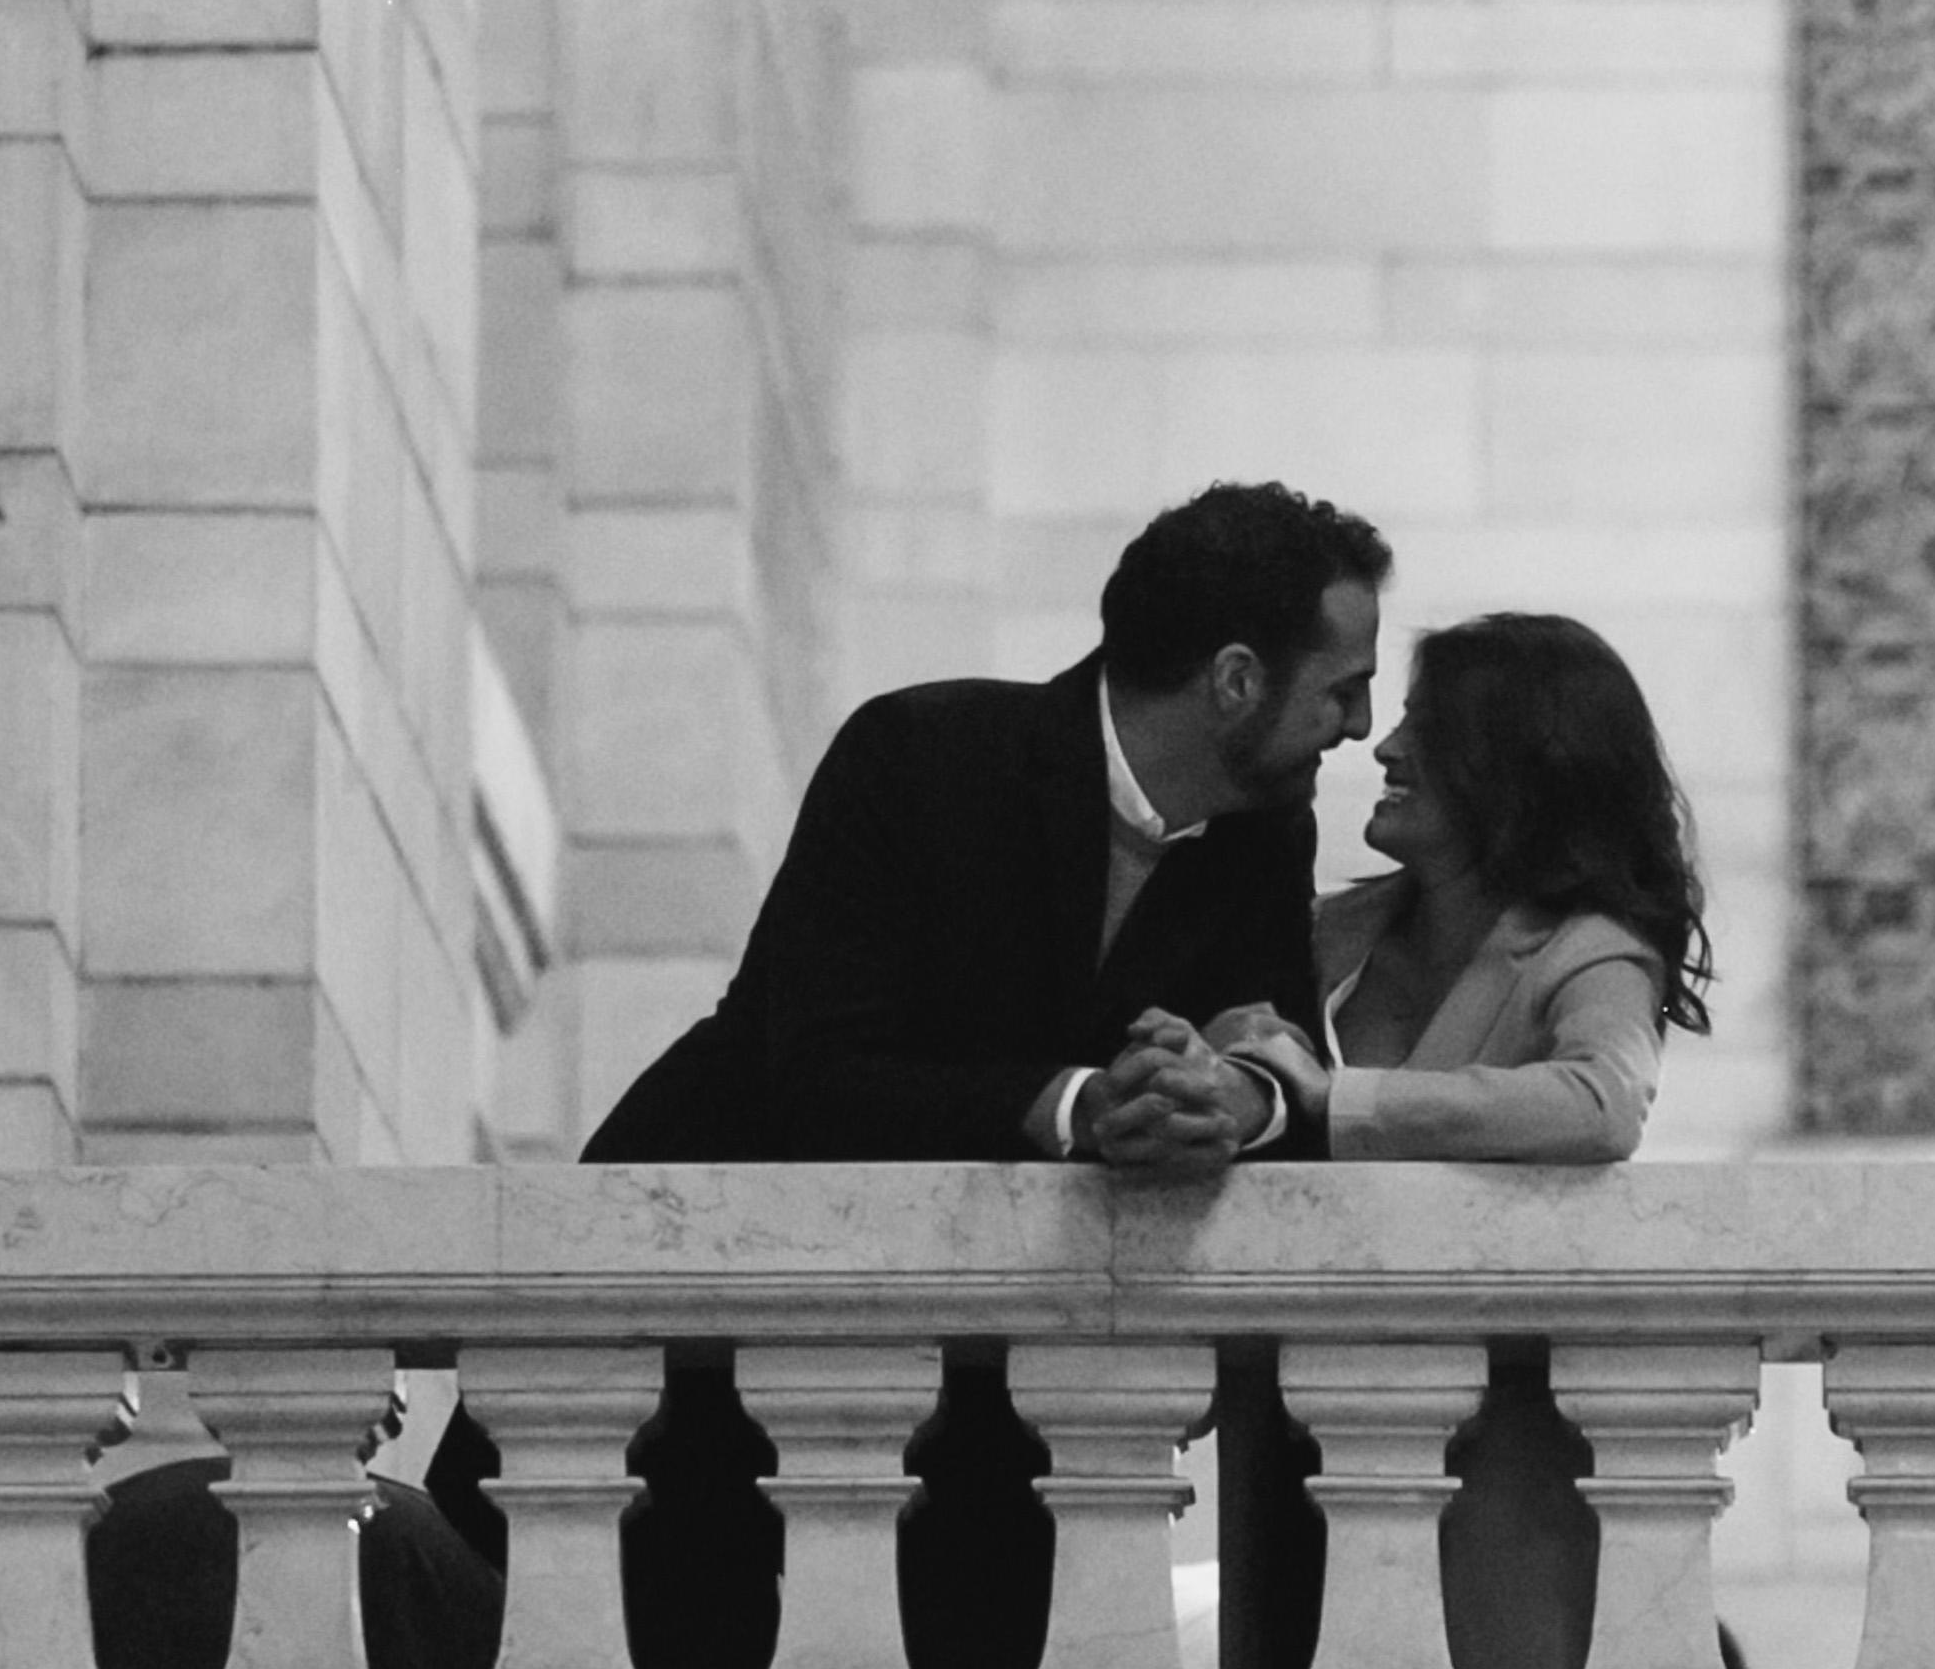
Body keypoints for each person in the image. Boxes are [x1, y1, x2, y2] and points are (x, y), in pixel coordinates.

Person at [578, 480, 1385, 1164]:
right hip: (688, 1239)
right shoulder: (918, 755)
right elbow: (820, 1072)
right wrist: (1078, 1104)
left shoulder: (1265, 835)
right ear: (1236, 681)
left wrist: (1239, 1097)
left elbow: (1279, 1056)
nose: (1361, 727)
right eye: (1343, 691)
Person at [1205, 608, 1709, 1163]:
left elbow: (1604, 1104)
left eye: (1425, 729)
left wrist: (1335, 1098)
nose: (1386, 748)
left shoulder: (1591, 953)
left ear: (1518, 768)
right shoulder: (1326, 927)